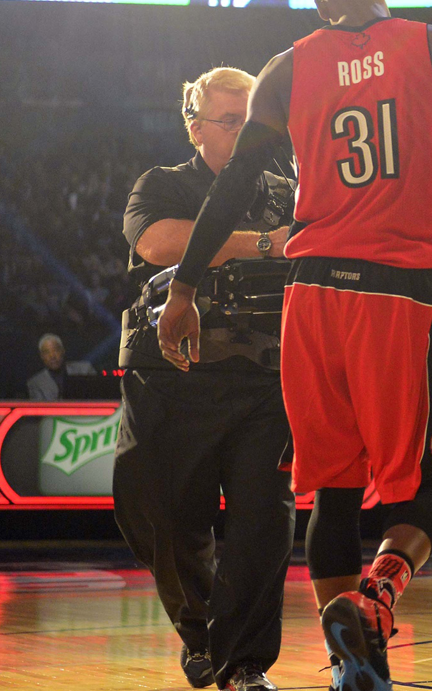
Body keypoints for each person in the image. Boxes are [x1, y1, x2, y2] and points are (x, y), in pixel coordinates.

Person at [154, 0, 432, 689]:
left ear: (317, 2)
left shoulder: (285, 68)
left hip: (311, 293)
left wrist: (185, 287)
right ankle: (375, 600)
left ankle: (353, 665)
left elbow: (232, 187)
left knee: (335, 489)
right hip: (397, 289)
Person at [112, 67, 296, 691]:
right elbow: (161, 243)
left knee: (263, 522)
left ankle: (241, 662)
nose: (247, 132)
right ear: (196, 130)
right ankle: (202, 634)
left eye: (253, 120)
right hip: (170, 376)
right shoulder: (160, 184)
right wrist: (263, 245)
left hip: (264, 377)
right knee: (160, 514)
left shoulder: (286, 187)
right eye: (231, 121)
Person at [26, 333, 94, 400]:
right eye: (47, 352)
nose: (52, 356)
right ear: (42, 356)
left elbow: (96, 398)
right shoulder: (35, 383)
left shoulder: (85, 370)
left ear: (63, 351)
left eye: (55, 350)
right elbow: (39, 410)